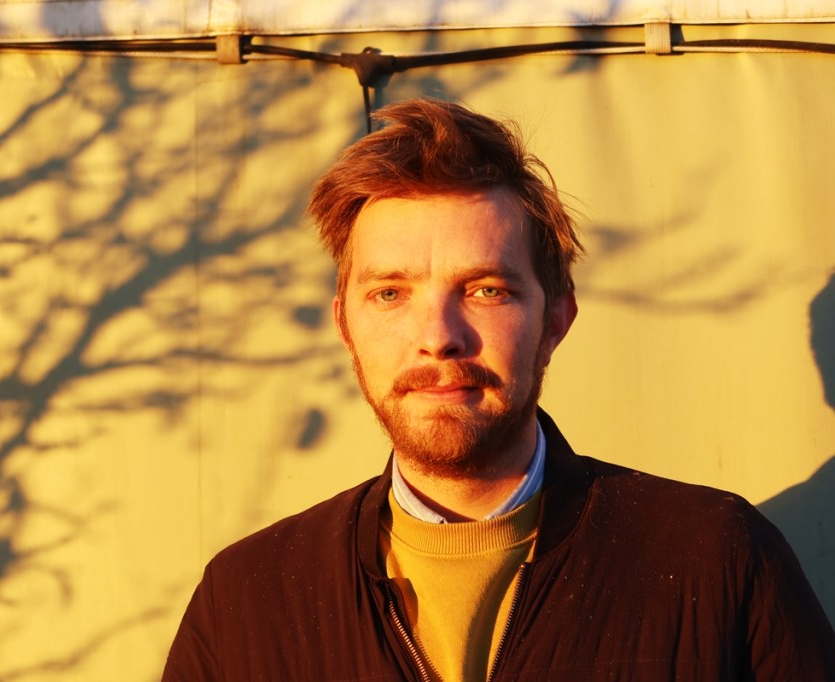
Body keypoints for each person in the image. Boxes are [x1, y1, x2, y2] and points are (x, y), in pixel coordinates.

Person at [162, 98, 835, 681]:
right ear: (345, 323)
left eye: (486, 290)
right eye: (390, 293)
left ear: (556, 319)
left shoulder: (714, 560)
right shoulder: (246, 601)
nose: (438, 337)